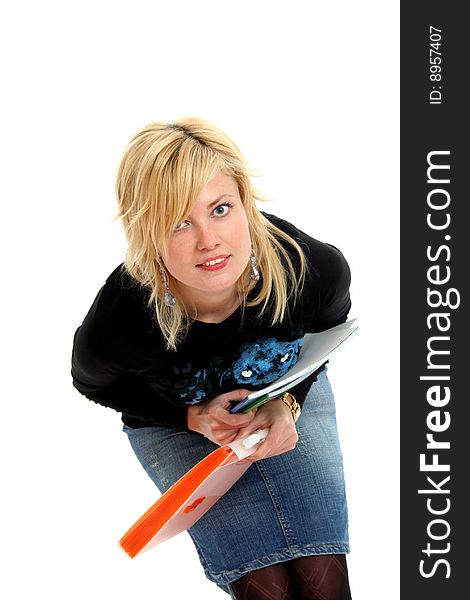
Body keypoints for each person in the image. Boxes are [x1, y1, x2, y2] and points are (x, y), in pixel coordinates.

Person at [71, 117, 353, 599]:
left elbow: (329, 330)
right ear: (148, 234)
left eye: (220, 209)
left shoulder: (312, 268)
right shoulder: (122, 321)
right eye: (180, 222)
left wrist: (288, 404)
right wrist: (189, 415)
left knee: (321, 578)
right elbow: (94, 383)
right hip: (173, 418)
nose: (209, 241)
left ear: (245, 202)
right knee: (265, 585)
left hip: (284, 388)